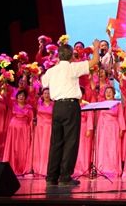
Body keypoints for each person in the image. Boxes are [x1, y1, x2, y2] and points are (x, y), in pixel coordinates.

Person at [41, 38, 99, 186]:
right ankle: (65, 177)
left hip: (57, 107)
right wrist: (96, 47)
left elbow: (43, 82)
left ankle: (51, 176)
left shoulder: (52, 70)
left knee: (56, 142)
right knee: (70, 141)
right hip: (70, 106)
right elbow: (94, 61)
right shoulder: (73, 67)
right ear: (71, 55)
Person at [2, 89, 34, 175]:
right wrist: (4, 90)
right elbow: (5, 98)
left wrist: (31, 132)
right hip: (13, 129)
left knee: (23, 148)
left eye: (23, 95)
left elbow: (31, 120)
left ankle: (22, 167)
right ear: (16, 97)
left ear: (25, 98)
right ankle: (12, 167)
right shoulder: (13, 105)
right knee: (13, 148)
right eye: (19, 95)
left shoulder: (29, 108)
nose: (21, 97)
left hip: (24, 129)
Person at [33, 88, 54, 176]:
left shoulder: (54, 104)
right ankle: (38, 167)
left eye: (48, 93)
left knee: (47, 148)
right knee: (39, 147)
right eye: (45, 93)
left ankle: (46, 168)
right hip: (40, 128)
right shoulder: (38, 104)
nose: (46, 95)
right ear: (42, 95)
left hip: (49, 128)